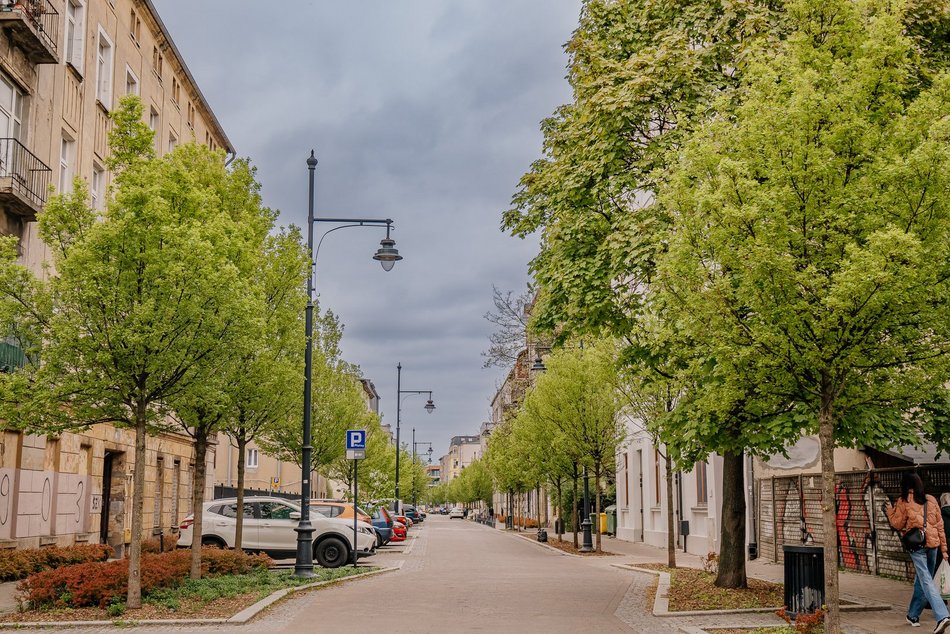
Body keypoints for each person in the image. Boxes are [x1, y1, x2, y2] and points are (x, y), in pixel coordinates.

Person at [885, 473, 950, 631]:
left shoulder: (904, 500)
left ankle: (942, 616)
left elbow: (897, 524)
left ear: (906, 486)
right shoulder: (932, 500)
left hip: (917, 545)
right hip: (933, 545)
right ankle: (913, 615)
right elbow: (940, 527)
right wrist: (945, 550)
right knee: (922, 580)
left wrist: (889, 511)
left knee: (926, 580)